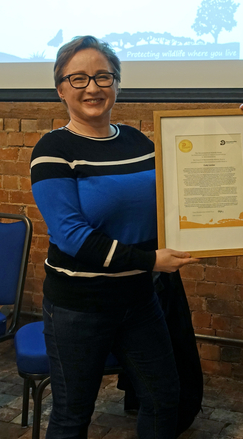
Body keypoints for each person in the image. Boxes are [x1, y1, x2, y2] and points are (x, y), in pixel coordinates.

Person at [30, 35, 199, 439]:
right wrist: (149, 261)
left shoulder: (139, 143)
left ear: (117, 85)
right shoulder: (52, 150)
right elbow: (73, 237)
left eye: (104, 77)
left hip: (141, 301)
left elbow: (178, 197)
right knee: (72, 415)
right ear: (61, 89)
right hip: (79, 308)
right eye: (79, 78)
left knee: (163, 399)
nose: (93, 87)